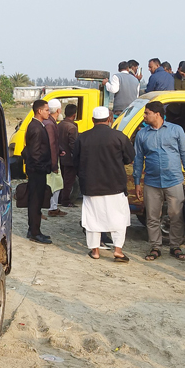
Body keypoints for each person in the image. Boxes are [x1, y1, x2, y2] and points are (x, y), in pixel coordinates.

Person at [134, 101, 185, 261]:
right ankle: (155, 247)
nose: (144, 116)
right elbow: (138, 159)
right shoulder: (142, 134)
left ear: (157, 114)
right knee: (152, 217)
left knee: (176, 215)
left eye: (147, 113)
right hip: (152, 182)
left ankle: (175, 246)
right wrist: (137, 181)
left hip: (173, 180)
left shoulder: (176, 130)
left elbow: (184, 154)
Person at [74, 106, 134, 261]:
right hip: (115, 185)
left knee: (92, 219)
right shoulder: (119, 137)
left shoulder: (82, 138)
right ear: (109, 119)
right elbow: (129, 158)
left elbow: (76, 162)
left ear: (93, 120)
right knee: (119, 218)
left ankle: (95, 251)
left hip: (91, 186)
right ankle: (118, 250)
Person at [23, 100, 53, 244]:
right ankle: (35, 232)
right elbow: (34, 153)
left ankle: (33, 229)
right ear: (39, 111)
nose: (49, 112)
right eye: (47, 110)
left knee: (37, 201)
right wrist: (41, 168)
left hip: (37, 170)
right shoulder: (35, 127)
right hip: (37, 171)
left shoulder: (37, 125)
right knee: (35, 201)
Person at [45, 98, 66, 217]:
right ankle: (52, 207)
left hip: (50, 158)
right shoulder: (50, 124)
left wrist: (60, 150)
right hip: (51, 159)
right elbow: (51, 144)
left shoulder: (50, 123)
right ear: (58, 110)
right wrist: (54, 165)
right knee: (56, 182)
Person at [57, 103, 79, 207]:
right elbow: (73, 144)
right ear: (74, 115)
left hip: (60, 157)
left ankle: (60, 198)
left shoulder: (59, 124)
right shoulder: (72, 127)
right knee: (69, 181)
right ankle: (65, 200)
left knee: (62, 179)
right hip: (70, 159)